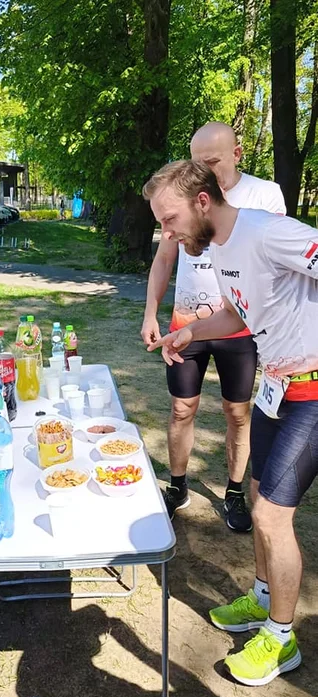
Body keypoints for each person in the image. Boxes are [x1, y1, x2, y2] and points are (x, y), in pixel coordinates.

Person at [143, 159, 318, 686]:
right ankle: (264, 599)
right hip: (276, 388)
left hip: (313, 391)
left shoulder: (268, 231)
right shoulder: (218, 246)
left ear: (202, 201)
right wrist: (188, 333)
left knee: (269, 516)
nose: (167, 234)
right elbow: (242, 317)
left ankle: (281, 640)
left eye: (169, 220)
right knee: (261, 491)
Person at [141, 122, 286, 530]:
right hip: (187, 321)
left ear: (237, 154)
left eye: (213, 162)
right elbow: (165, 257)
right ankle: (178, 485)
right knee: (181, 407)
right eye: (195, 162)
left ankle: (236, 490)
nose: (203, 170)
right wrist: (151, 313)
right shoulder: (184, 199)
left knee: (237, 413)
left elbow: (277, 264)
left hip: (238, 328)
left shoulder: (263, 196)